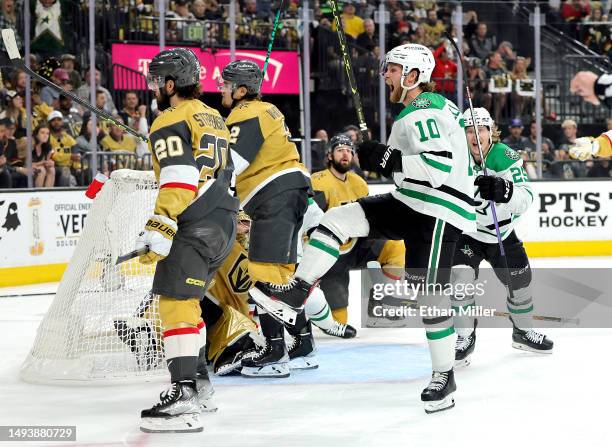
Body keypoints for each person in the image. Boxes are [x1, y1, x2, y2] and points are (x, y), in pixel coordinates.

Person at [250, 44, 476, 414]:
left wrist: (386, 158)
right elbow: (420, 168)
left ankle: (444, 375)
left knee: (430, 299)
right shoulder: (423, 110)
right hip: (413, 201)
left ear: (413, 75)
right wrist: (388, 159)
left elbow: (436, 169)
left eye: (392, 69)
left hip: (438, 211)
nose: (384, 74)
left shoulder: (423, 110)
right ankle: (297, 293)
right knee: (338, 219)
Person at [138, 48, 238, 433]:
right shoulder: (212, 115)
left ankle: (183, 396)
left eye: (155, 81)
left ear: (169, 83)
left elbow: (179, 174)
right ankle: (198, 385)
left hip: (194, 223)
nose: (153, 89)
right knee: (190, 304)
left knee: (176, 303)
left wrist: (161, 222)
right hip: (224, 220)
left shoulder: (169, 118)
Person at [219, 59, 311, 378]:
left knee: (262, 273)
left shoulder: (246, 113)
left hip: (275, 193)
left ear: (241, 90)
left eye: (226, 83)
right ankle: (303, 344)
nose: (220, 87)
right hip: (290, 189)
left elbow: (232, 163)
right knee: (280, 276)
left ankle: (275, 353)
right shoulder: (266, 109)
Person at [451, 107, 553, 368]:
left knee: (521, 285)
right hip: (468, 234)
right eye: (469, 130)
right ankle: (464, 336)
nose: (475, 135)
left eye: (481, 129)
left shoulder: (505, 156)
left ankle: (522, 332)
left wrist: (504, 190)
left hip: (501, 233)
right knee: (460, 280)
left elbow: (526, 197)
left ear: (491, 132)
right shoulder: (454, 157)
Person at [311, 134, 404, 330]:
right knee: (338, 323)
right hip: (331, 253)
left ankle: (380, 305)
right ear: (329, 155)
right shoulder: (318, 181)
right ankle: (313, 308)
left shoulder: (358, 182)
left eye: (348, 150)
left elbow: (368, 218)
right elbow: (313, 225)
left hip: (357, 246)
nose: (345, 154)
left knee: (395, 246)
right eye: (339, 150)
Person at [48, 110, 79, 186]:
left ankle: (92, 195)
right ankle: (64, 196)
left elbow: (76, 157)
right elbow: (54, 157)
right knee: (65, 171)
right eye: (53, 120)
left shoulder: (69, 138)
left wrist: (78, 167)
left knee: (90, 171)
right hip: (54, 167)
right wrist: (70, 156)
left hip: (70, 167)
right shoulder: (47, 138)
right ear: (49, 123)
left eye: (59, 120)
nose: (56, 122)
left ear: (62, 122)